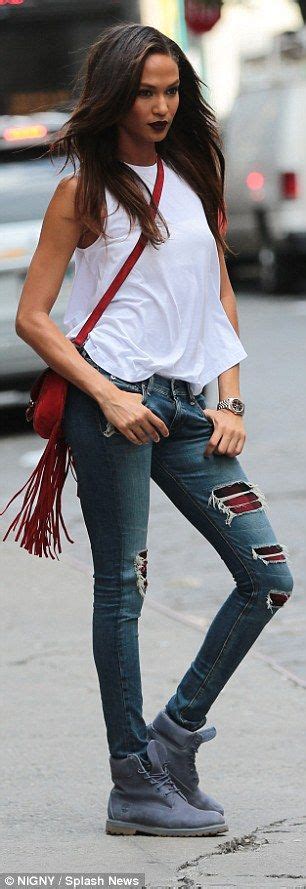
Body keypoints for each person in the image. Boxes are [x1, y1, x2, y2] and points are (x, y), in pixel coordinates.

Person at [14, 23, 294, 838]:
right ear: (115, 94)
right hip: (117, 409)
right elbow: (35, 318)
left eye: (172, 89)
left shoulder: (193, 176)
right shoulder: (86, 190)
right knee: (122, 591)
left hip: (183, 406)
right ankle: (131, 780)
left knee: (268, 573)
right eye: (146, 91)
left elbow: (219, 296)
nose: (162, 105)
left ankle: (174, 736)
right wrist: (107, 395)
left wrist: (229, 400)